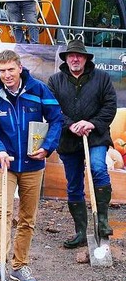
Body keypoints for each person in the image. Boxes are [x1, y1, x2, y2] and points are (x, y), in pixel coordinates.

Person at [0, 49, 62, 281]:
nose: (6, 75)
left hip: (33, 164)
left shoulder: (38, 90)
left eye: (10, 70)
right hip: (3, 164)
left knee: (27, 217)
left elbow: (56, 118)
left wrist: (47, 147)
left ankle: (19, 265)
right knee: (2, 212)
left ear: (20, 68)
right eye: (2, 71)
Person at [47, 39, 117, 248]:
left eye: (79, 55)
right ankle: (80, 232)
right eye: (71, 56)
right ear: (66, 59)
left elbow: (110, 105)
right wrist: (70, 125)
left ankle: (102, 222)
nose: (75, 59)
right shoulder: (55, 81)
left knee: (98, 168)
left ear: (86, 58)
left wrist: (91, 123)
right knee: (74, 184)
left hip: (95, 136)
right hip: (68, 140)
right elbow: (52, 110)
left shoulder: (102, 78)